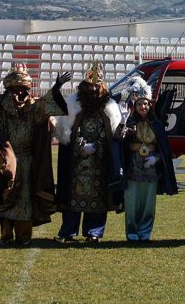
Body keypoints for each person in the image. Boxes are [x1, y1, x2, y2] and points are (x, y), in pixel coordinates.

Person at [0, 65, 71, 245]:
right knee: (6, 197)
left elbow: (51, 104)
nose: (20, 93)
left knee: (25, 198)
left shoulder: (35, 106)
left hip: (28, 161)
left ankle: (24, 236)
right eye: (15, 88)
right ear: (9, 89)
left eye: (23, 88)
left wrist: (56, 87)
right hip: (6, 160)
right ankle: (6, 235)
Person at [54, 61, 123, 243]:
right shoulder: (73, 106)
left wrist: (101, 145)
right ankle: (68, 231)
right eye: (90, 87)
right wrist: (80, 147)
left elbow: (113, 134)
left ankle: (94, 232)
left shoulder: (109, 109)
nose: (93, 90)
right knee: (71, 197)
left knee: (99, 199)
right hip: (76, 163)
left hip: (100, 162)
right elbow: (66, 132)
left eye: (96, 87)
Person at [116, 77, 178, 241]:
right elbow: (120, 140)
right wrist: (124, 124)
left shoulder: (156, 123)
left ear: (150, 105)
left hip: (151, 168)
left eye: (145, 104)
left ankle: (145, 232)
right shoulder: (129, 122)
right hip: (132, 166)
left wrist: (156, 158)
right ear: (135, 106)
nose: (143, 107)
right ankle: (132, 232)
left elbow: (162, 149)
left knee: (148, 203)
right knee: (132, 202)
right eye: (139, 104)